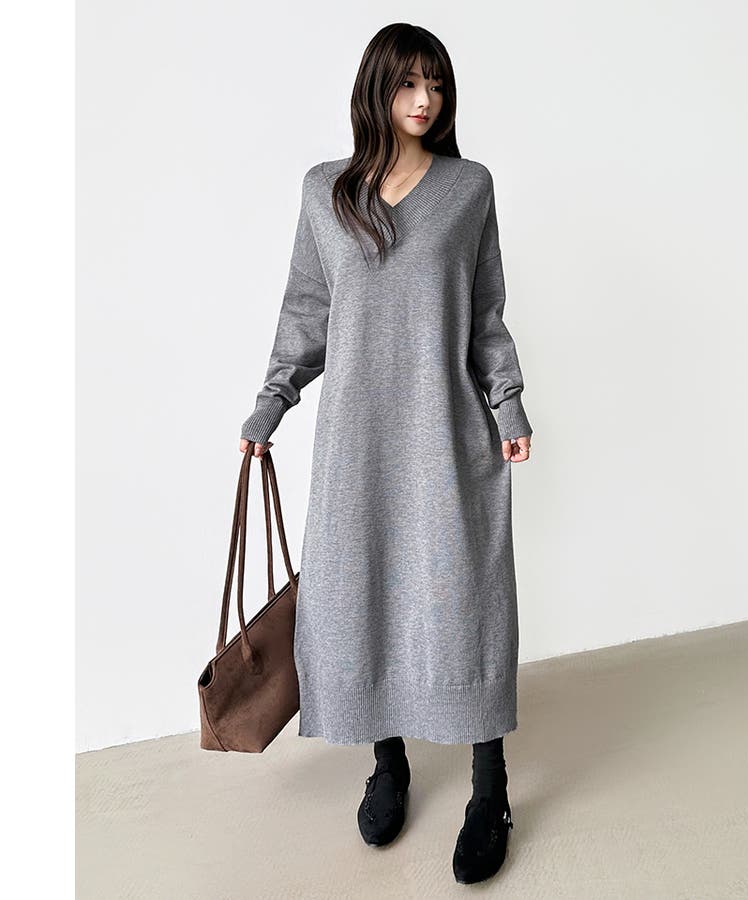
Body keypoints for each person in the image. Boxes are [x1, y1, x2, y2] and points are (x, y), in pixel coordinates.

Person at [238, 23, 533, 885]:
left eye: (435, 84)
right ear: (376, 88)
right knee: (362, 593)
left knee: (467, 600)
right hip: (356, 443)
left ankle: (489, 789)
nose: (424, 100)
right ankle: (388, 763)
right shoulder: (324, 192)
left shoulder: (468, 188)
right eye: (408, 82)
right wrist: (270, 403)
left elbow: (485, 315)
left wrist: (508, 402)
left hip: (448, 431)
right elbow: (306, 312)